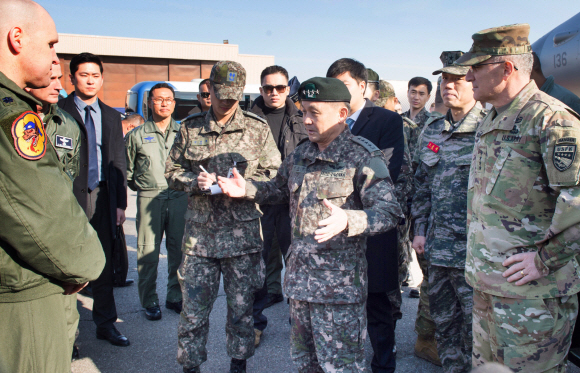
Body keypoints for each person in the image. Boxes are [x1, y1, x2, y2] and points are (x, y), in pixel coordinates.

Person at [218, 76, 403, 373]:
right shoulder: (301, 155)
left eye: (314, 113)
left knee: (339, 368)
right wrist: (248, 189)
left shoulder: (363, 156)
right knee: (306, 366)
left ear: (342, 114)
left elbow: (390, 212)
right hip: (300, 286)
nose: (305, 120)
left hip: (339, 293)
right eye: (303, 111)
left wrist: (350, 219)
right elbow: (277, 189)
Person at [455, 23, 580, 372]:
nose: (468, 75)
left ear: (507, 68)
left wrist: (544, 260)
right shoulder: (493, 118)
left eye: (477, 66)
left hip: (533, 299)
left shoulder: (552, 121)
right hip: (488, 288)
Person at [0, 1, 105, 372]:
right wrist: (84, 264)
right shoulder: (12, 114)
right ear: (16, 38)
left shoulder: (62, 121)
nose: (54, 58)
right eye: (49, 45)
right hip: (21, 287)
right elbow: (38, 207)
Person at [165, 61, 281, 373]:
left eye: (234, 96)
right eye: (221, 94)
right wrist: (194, 183)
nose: (227, 102)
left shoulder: (257, 129)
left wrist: (248, 188)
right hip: (200, 239)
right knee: (193, 312)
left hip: (241, 240)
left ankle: (238, 363)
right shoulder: (189, 128)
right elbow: (171, 171)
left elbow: (275, 180)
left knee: (242, 310)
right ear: (210, 90)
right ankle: (191, 366)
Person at [412, 51, 487, 373]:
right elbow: (421, 185)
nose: (448, 85)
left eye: (457, 79)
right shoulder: (431, 130)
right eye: (444, 79)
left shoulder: (489, 127)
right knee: (444, 327)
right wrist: (419, 229)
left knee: (477, 332)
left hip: (475, 252)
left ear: (473, 80)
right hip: (437, 249)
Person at [327, 58, 404, 373]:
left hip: (372, 223)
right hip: (334, 230)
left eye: (345, 85)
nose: (340, 92)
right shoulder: (329, 120)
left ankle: (383, 364)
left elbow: (388, 169)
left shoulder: (385, 120)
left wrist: (338, 187)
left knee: (377, 305)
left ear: (362, 85)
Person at [58, 52, 130, 347]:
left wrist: (120, 204)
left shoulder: (112, 116)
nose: (90, 80)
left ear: (102, 78)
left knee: (102, 262)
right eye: (84, 74)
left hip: (102, 196)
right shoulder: (56, 110)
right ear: (71, 78)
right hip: (67, 198)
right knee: (66, 264)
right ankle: (67, 335)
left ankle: (105, 323)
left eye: (95, 75)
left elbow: (118, 161)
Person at [24, 60, 85, 358]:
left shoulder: (67, 125)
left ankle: (65, 348)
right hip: (19, 230)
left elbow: (70, 183)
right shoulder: (10, 120)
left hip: (57, 228)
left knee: (65, 308)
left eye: (60, 78)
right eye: (51, 79)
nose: (59, 86)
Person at [249, 65, 307, 346]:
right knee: (256, 266)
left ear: (288, 89)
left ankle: (298, 324)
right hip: (258, 203)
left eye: (280, 88)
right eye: (268, 88)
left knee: (296, 264)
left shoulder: (301, 118)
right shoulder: (248, 119)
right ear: (261, 90)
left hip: (290, 204)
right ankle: (255, 323)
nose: (274, 93)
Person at [125, 83, 187, 321]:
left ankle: (174, 296)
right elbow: (128, 172)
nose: (164, 103)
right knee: (147, 252)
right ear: (150, 102)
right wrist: (145, 186)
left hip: (179, 196)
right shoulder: (136, 135)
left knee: (178, 251)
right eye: (159, 99)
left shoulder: (183, 133)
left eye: (168, 99)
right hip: (150, 196)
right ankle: (149, 300)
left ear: (174, 103)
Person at [375, 79, 416, 333]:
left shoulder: (403, 127)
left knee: (392, 269)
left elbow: (408, 172)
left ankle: (390, 321)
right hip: (375, 213)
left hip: (396, 213)